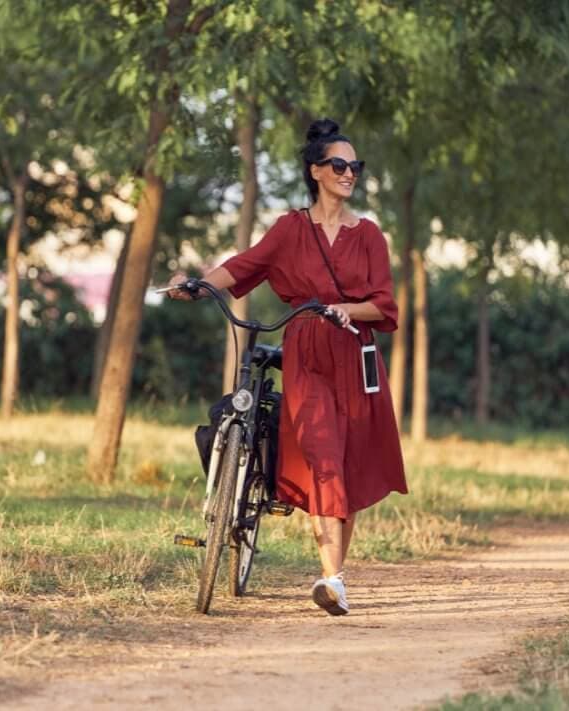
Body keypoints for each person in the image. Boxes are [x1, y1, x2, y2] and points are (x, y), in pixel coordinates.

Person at [168, 118, 408, 616]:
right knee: (321, 453)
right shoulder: (290, 229)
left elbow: (386, 306)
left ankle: (333, 579)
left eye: (355, 166)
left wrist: (348, 309)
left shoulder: (369, 236)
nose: (349, 173)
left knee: (350, 464)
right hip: (307, 352)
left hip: (356, 354)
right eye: (340, 165)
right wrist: (197, 285)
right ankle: (331, 578)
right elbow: (244, 266)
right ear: (316, 171)